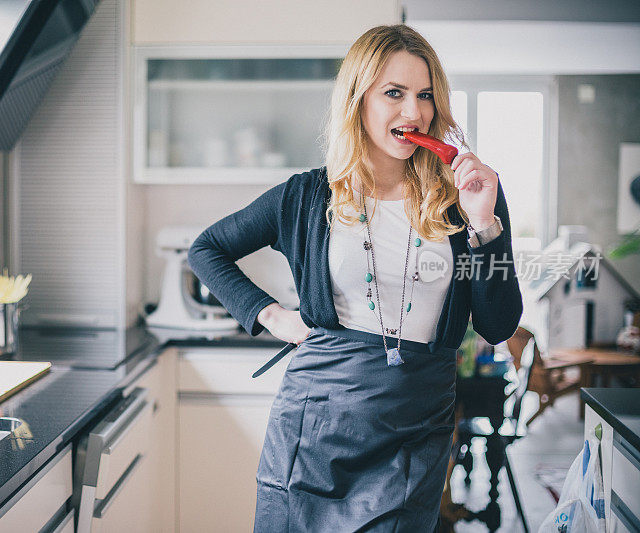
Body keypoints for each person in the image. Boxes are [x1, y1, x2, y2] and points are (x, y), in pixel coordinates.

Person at [187, 24, 522, 532]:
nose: (415, 112)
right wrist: (273, 316)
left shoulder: (468, 200)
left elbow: (498, 325)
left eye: (425, 95)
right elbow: (206, 248)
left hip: (416, 433)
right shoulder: (304, 197)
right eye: (394, 93)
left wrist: (484, 224)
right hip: (314, 430)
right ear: (357, 100)